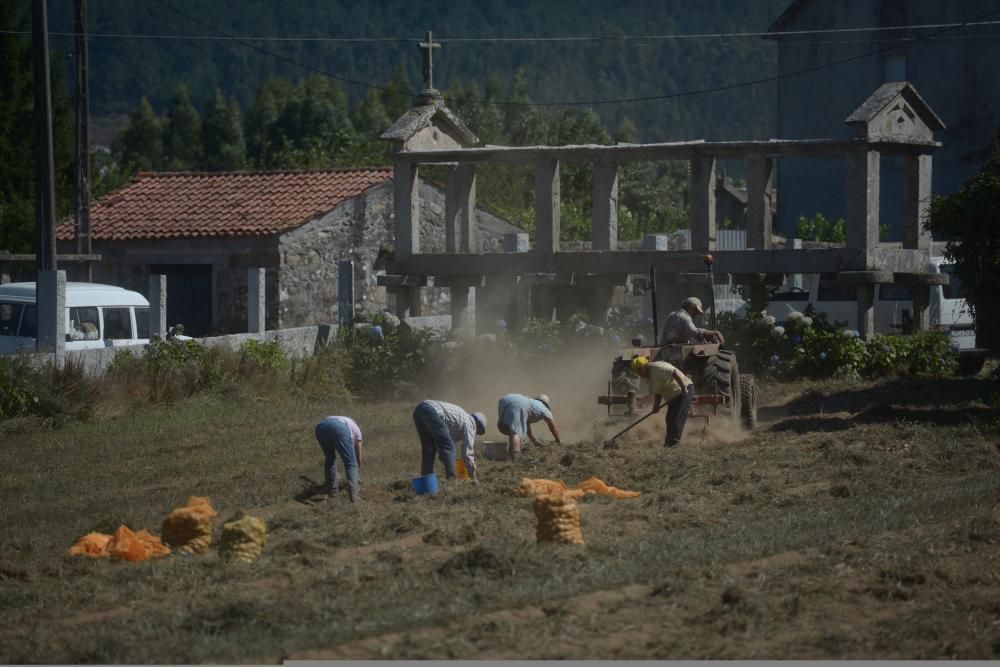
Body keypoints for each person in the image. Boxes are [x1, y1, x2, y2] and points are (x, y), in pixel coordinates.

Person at [412, 400, 486, 482]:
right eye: (479, 432)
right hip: (432, 411)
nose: (476, 434)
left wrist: (445, 457)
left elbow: (441, 444)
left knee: (429, 449)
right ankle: (452, 480)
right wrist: (473, 476)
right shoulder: (471, 424)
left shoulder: (461, 419)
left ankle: (426, 483)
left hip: (419, 411)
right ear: (478, 426)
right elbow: (467, 453)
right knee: (449, 447)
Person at [631, 355, 695, 448]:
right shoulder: (647, 377)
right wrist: (656, 405)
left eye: (639, 370)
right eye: (636, 371)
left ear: (644, 366)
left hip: (684, 391)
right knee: (669, 419)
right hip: (672, 396)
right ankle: (668, 444)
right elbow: (657, 392)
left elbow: (674, 373)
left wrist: (683, 388)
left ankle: (674, 444)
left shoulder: (658, 367)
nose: (638, 373)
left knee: (676, 418)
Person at [497, 393, 562, 461]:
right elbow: (553, 428)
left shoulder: (531, 402)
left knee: (507, 428)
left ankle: (511, 452)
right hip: (519, 403)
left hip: (505, 400)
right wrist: (558, 441)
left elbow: (527, 427)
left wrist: (535, 441)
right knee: (516, 432)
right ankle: (515, 459)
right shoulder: (544, 409)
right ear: (546, 404)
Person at [314, 416, 363, 502]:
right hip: (338, 428)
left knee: (330, 459)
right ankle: (355, 497)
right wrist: (357, 474)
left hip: (320, 428)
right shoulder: (357, 431)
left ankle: (332, 494)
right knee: (351, 463)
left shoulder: (346, 421)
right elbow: (357, 456)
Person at [659, 296, 725, 346]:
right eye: (696, 311)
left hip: (665, 347)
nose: (696, 314)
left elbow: (682, 332)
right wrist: (715, 333)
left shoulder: (672, 314)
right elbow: (693, 331)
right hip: (675, 351)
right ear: (690, 307)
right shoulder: (685, 317)